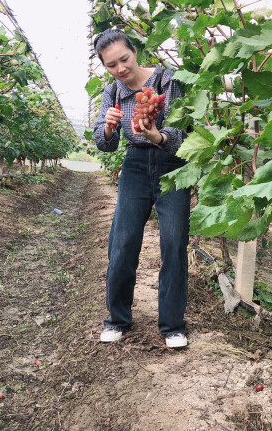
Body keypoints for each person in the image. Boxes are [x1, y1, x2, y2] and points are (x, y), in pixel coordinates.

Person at [92, 29, 190, 348]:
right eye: (111, 65)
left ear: (134, 52)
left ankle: (173, 325)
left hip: (170, 164)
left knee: (174, 243)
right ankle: (117, 319)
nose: (120, 68)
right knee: (122, 241)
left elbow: (179, 134)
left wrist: (156, 136)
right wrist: (107, 129)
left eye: (124, 58)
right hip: (134, 165)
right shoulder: (113, 92)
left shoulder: (166, 81)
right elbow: (105, 145)